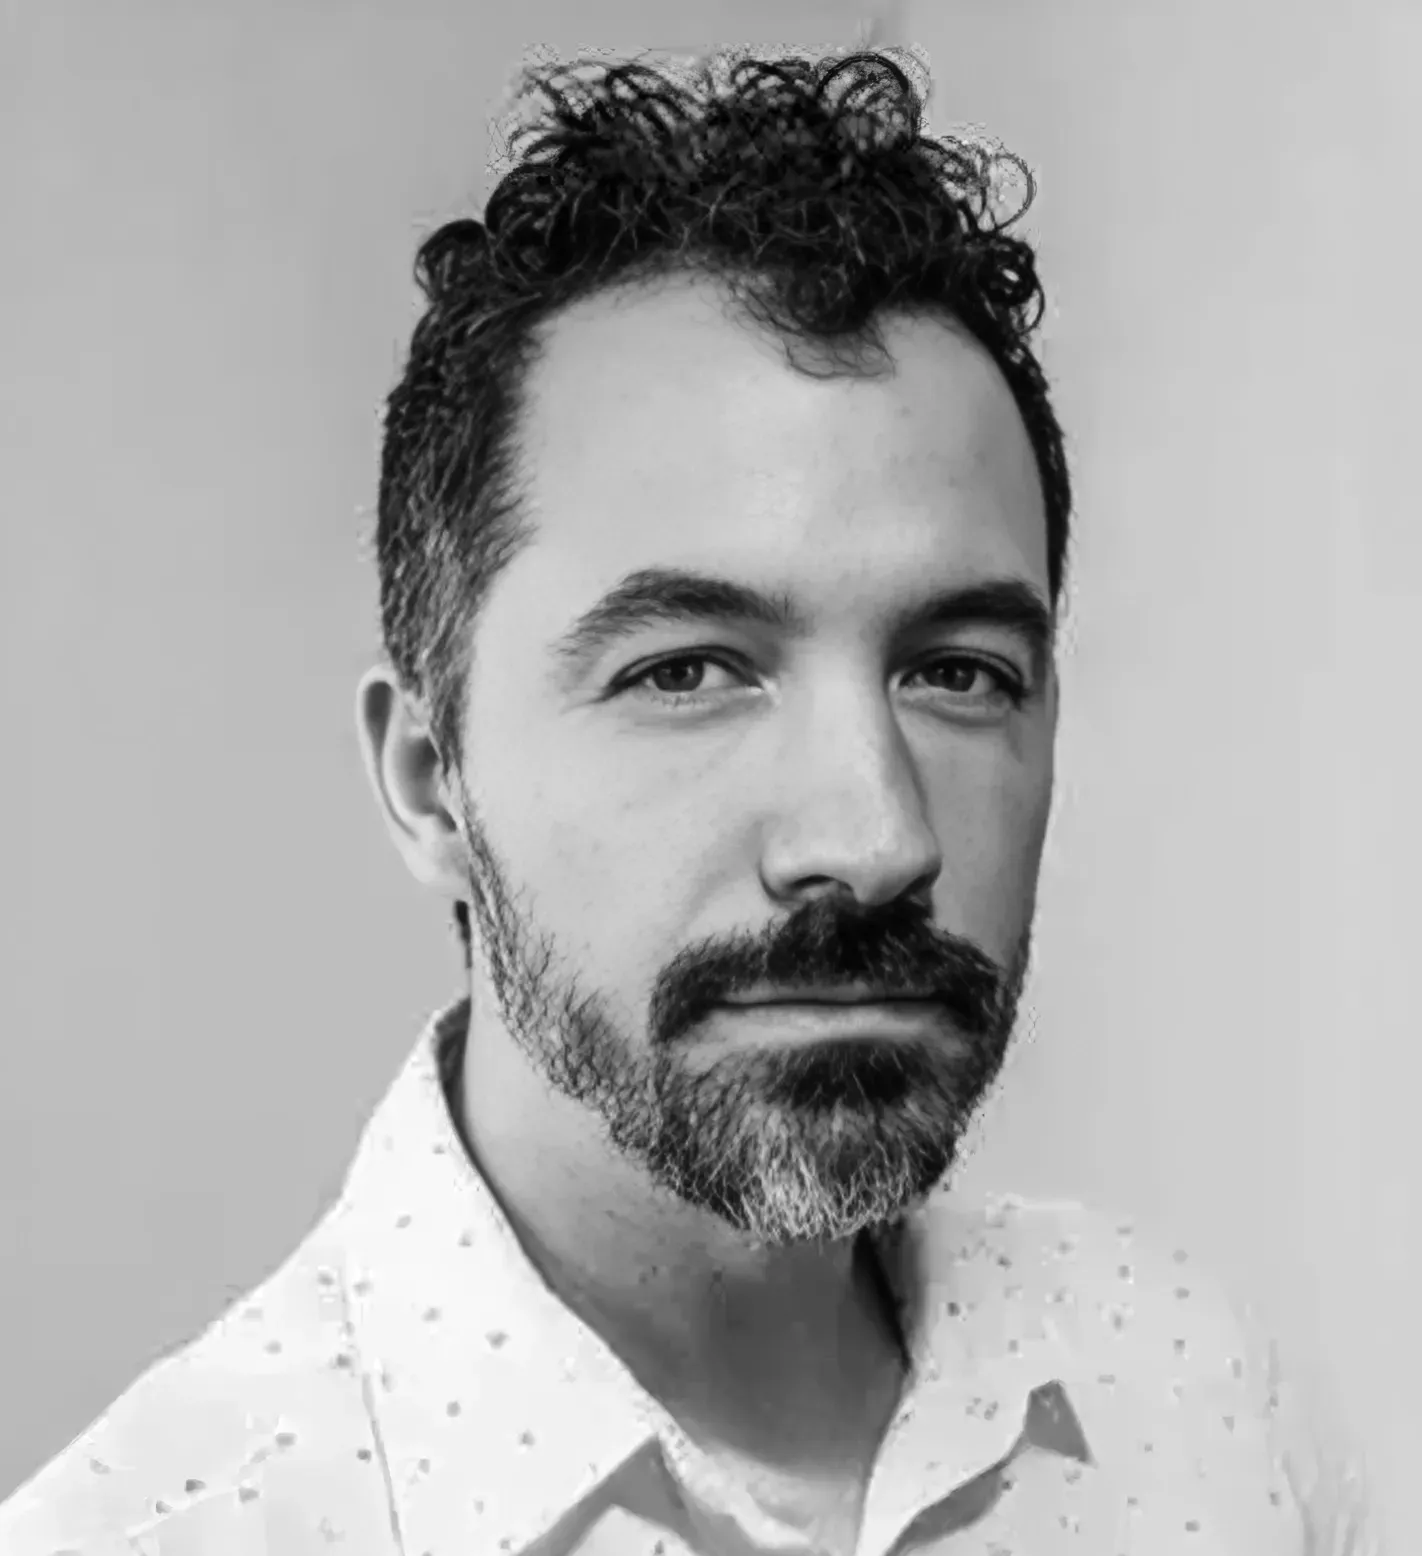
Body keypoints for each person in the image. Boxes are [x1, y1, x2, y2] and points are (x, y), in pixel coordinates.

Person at [0, 41, 1380, 1556]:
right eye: (686, 673)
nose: (873, 833)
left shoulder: (1196, 1394)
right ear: (426, 780)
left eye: (959, 672)